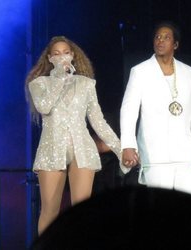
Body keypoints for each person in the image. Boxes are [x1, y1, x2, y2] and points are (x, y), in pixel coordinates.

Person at [25, 36, 125, 235]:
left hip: (83, 149)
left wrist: (120, 149)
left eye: (66, 52)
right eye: (56, 53)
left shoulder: (87, 84)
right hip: (52, 150)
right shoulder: (39, 83)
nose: (62, 57)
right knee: (50, 211)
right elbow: (43, 107)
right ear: (50, 59)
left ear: (72, 56)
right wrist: (60, 80)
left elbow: (98, 121)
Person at [120, 21, 191, 196]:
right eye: (157, 37)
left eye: (166, 37)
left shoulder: (188, 72)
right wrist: (128, 145)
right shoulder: (140, 71)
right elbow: (128, 110)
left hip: (185, 154)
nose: (160, 41)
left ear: (175, 44)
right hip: (155, 154)